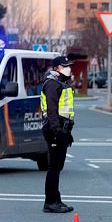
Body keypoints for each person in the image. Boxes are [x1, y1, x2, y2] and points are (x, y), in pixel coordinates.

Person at [40, 56, 76, 213]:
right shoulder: (52, 84)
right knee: (54, 167)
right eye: (64, 66)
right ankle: (50, 202)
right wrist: (57, 132)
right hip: (55, 129)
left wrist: (67, 132)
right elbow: (52, 111)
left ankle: (56, 199)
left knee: (58, 166)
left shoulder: (60, 83)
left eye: (69, 65)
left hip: (62, 128)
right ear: (56, 68)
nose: (68, 68)